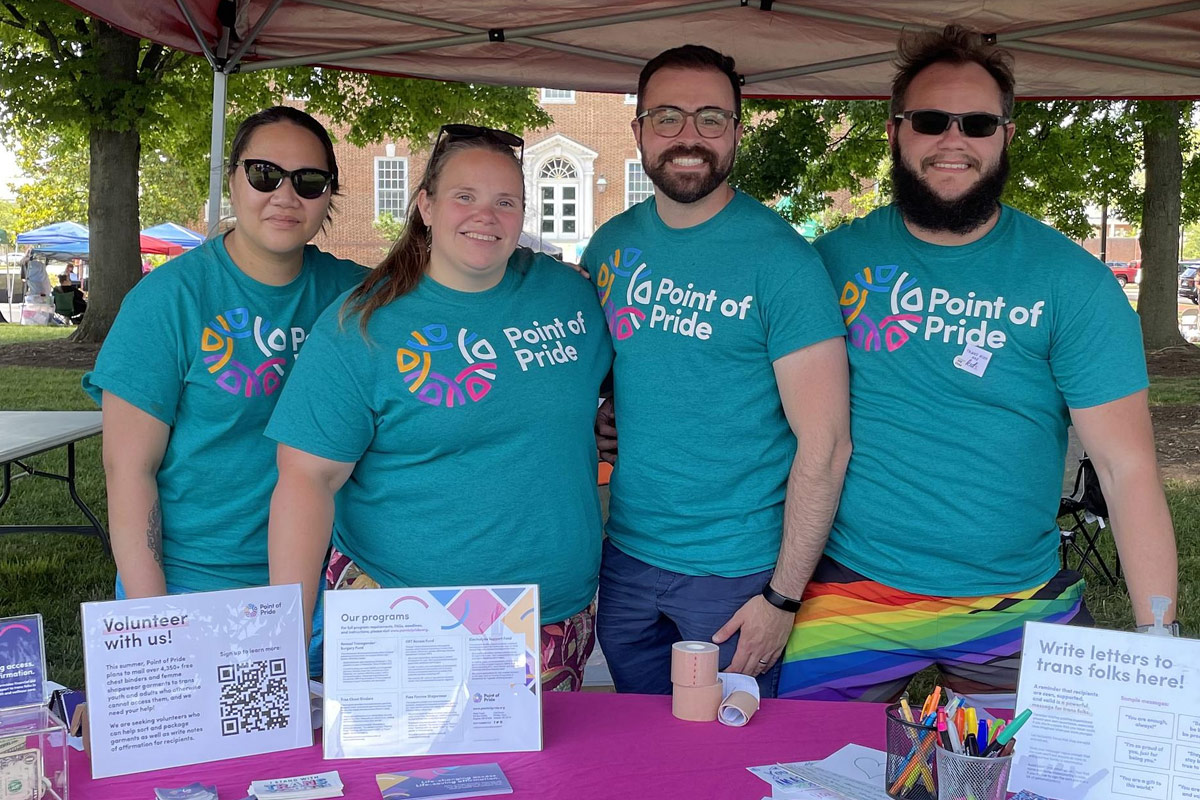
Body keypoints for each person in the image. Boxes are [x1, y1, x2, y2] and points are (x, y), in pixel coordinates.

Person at [779, 25, 1180, 703]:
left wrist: (1159, 644)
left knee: (1045, 775)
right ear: (895, 132)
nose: (952, 140)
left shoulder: (1072, 281)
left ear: (1007, 135)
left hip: (1015, 598)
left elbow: (1126, 467)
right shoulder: (830, 262)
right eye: (930, 120)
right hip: (853, 591)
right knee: (806, 775)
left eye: (978, 122)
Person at [266, 124, 613, 691]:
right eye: (464, 197)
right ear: (425, 205)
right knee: (400, 780)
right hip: (403, 613)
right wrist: (286, 641)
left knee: (546, 780)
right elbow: (305, 482)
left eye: (506, 202)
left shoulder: (569, 296)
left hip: (553, 616)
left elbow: (620, 387)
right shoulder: (363, 324)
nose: (487, 215)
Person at [580, 45, 851, 697]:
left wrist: (781, 599)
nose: (689, 136)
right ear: (639, 129)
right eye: (668, 117)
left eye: (711, 118)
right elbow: (610, 372)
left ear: (736, 130)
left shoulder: (782, 261)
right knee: (644, 750)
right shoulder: (610, 245)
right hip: (629, 558)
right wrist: (602, 416)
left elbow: (828, 443)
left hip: (739, 573)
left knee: (731, 756)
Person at [82, 106, 367, 675]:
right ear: (231, 177)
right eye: (265, 174)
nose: (285, 195)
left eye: (309, 181)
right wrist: (151, 623)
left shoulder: (357, 296)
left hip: (327, 587)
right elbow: (128, 470)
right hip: (195, 588)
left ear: (328, 197)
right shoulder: (168, 300)